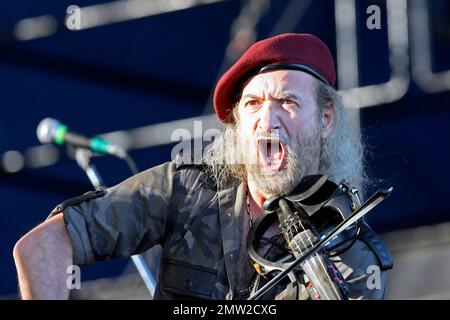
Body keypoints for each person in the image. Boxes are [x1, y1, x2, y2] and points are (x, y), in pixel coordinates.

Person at [13, 33, 392, 300]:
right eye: (253, 104)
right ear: (238, 124)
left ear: (325, 119)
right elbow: (41, 246)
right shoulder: (188, 191)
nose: (268, 120)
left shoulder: (350, 253)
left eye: (287, 102)